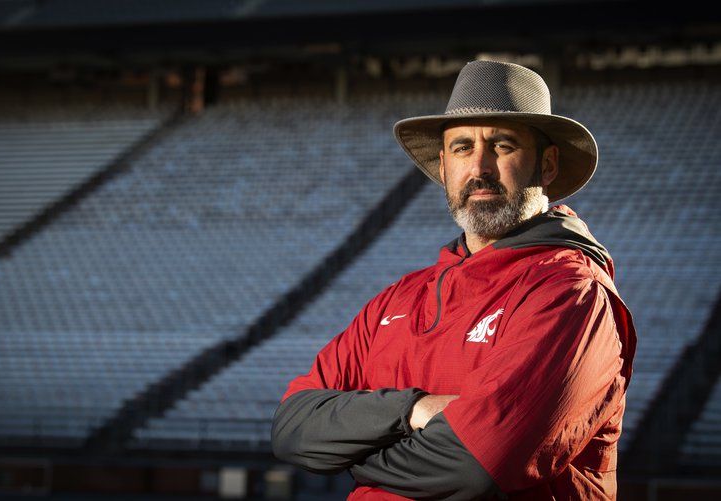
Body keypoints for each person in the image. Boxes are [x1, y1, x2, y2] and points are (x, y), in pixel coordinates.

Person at [271, 60, 637, 500]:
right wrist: (413, 410)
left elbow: (473, 466)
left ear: (548, 165)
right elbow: (292, 426)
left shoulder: (571, 294)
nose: (479, 167)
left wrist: (354, 459)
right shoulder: (398, 299)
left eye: (502, 145)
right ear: (443, 167)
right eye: (462, 147)